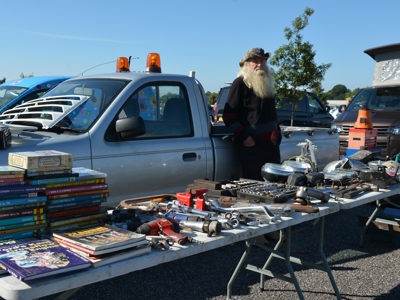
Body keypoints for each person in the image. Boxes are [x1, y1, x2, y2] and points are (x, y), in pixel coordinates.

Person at [223, 47, 281, 180]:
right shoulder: (240, 83)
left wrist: (277, 134)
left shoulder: (267, 83)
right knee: (254, 185)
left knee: (275, 184)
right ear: (247, 64)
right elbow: (228, 116)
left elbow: (273, 115)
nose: (259, 64)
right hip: (252, 146)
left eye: (262, 61)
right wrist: (245, 138)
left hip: (271, 147)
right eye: (255, 61)